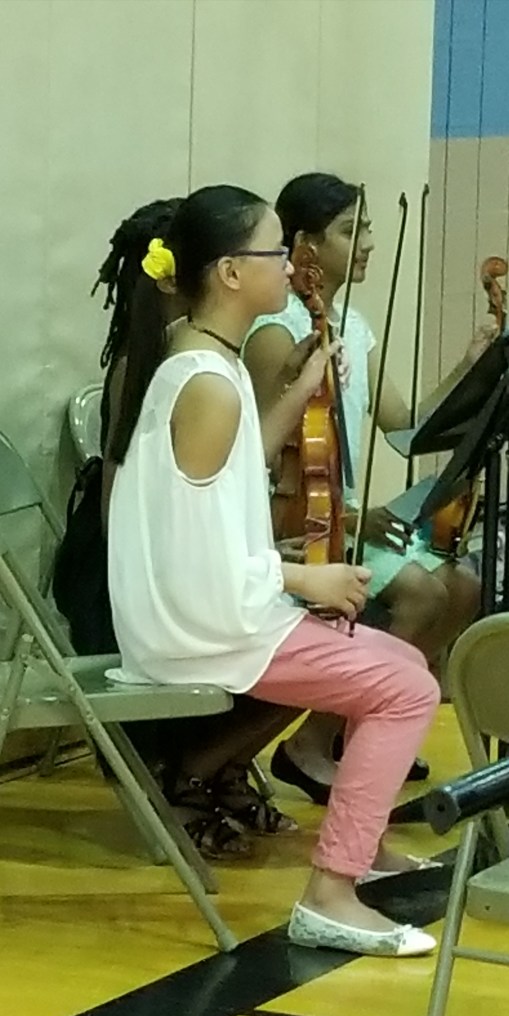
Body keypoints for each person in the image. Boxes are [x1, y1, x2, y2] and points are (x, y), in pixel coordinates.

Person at [107, 182, 440, 956]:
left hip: (208, 607)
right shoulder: (207, 382)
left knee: (400, 662)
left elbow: (231, 472)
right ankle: (329, 894)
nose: (290, 265)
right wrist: (301, 578)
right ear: (230, 272)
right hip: (201, 623)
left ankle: (361, 845)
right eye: (273, 251)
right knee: (408, 690)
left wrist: (300, 387)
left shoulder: (204, 361)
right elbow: (201, 554)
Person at [56, 198, 310, 858]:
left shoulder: (205, 358)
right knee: (307, 637)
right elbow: (125, 513)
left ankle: (218, 770)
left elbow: (225, 477)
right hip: (120, 574)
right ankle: (193, 774)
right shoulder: (167, 365)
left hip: (171, 564)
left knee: (314, 624)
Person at [243, 171, 484, 802]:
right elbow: (270, 465)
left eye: (368, 228)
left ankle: (362, 735)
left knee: (463, 584)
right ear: (305, 246)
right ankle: (310, 743)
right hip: (299, 519)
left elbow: (404, 424)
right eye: (352, 230)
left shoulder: (354, 322)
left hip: (348, 511)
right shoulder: (276, 331)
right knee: (422, 594)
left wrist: (470, 365)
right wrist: (354, 518)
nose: (370, 243)